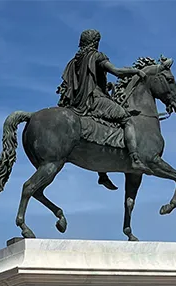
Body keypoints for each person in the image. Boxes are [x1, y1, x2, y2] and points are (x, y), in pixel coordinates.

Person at [56, 28, 148, 187]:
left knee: (101, 127)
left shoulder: (75, 60)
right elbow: (117, 72)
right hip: (94, 100)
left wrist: (105, 87)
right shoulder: (96, 56)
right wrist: (136, 71)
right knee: (127, 119)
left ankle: (102, 175)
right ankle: (135, 159)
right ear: (96, 42)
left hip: (78, 102)